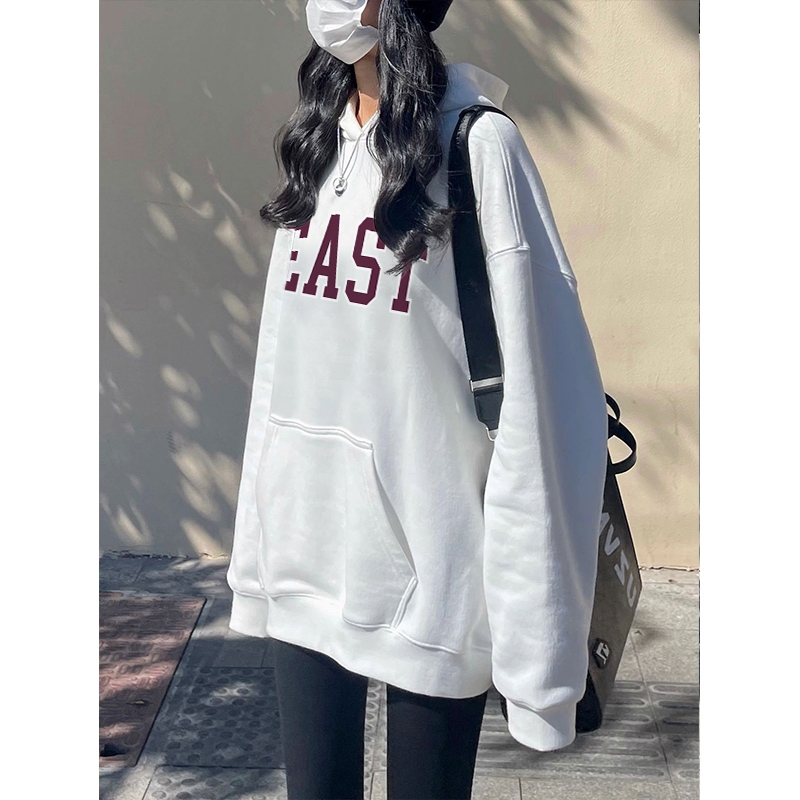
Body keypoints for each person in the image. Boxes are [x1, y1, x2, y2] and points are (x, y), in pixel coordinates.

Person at [226, 1, 609, 798]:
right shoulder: (319, 135)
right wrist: (259, 556)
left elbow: (544, 402)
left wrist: (539, 667)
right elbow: (282, 367)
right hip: (306, 563)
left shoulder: (477, 146)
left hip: (434, 587)